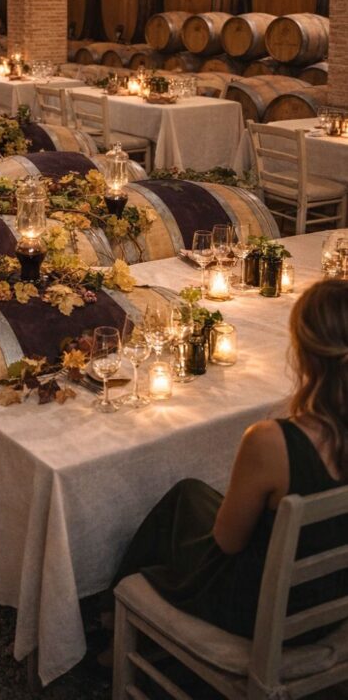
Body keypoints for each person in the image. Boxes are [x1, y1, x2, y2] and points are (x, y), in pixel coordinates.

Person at [92, 278, 348, 672]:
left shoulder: (273, 441)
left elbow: (227, 543)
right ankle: (117, 616)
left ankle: (114, 625)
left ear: (304, 351)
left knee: (182, 506)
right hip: (334, 603)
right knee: (190, 495)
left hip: (261, 612)